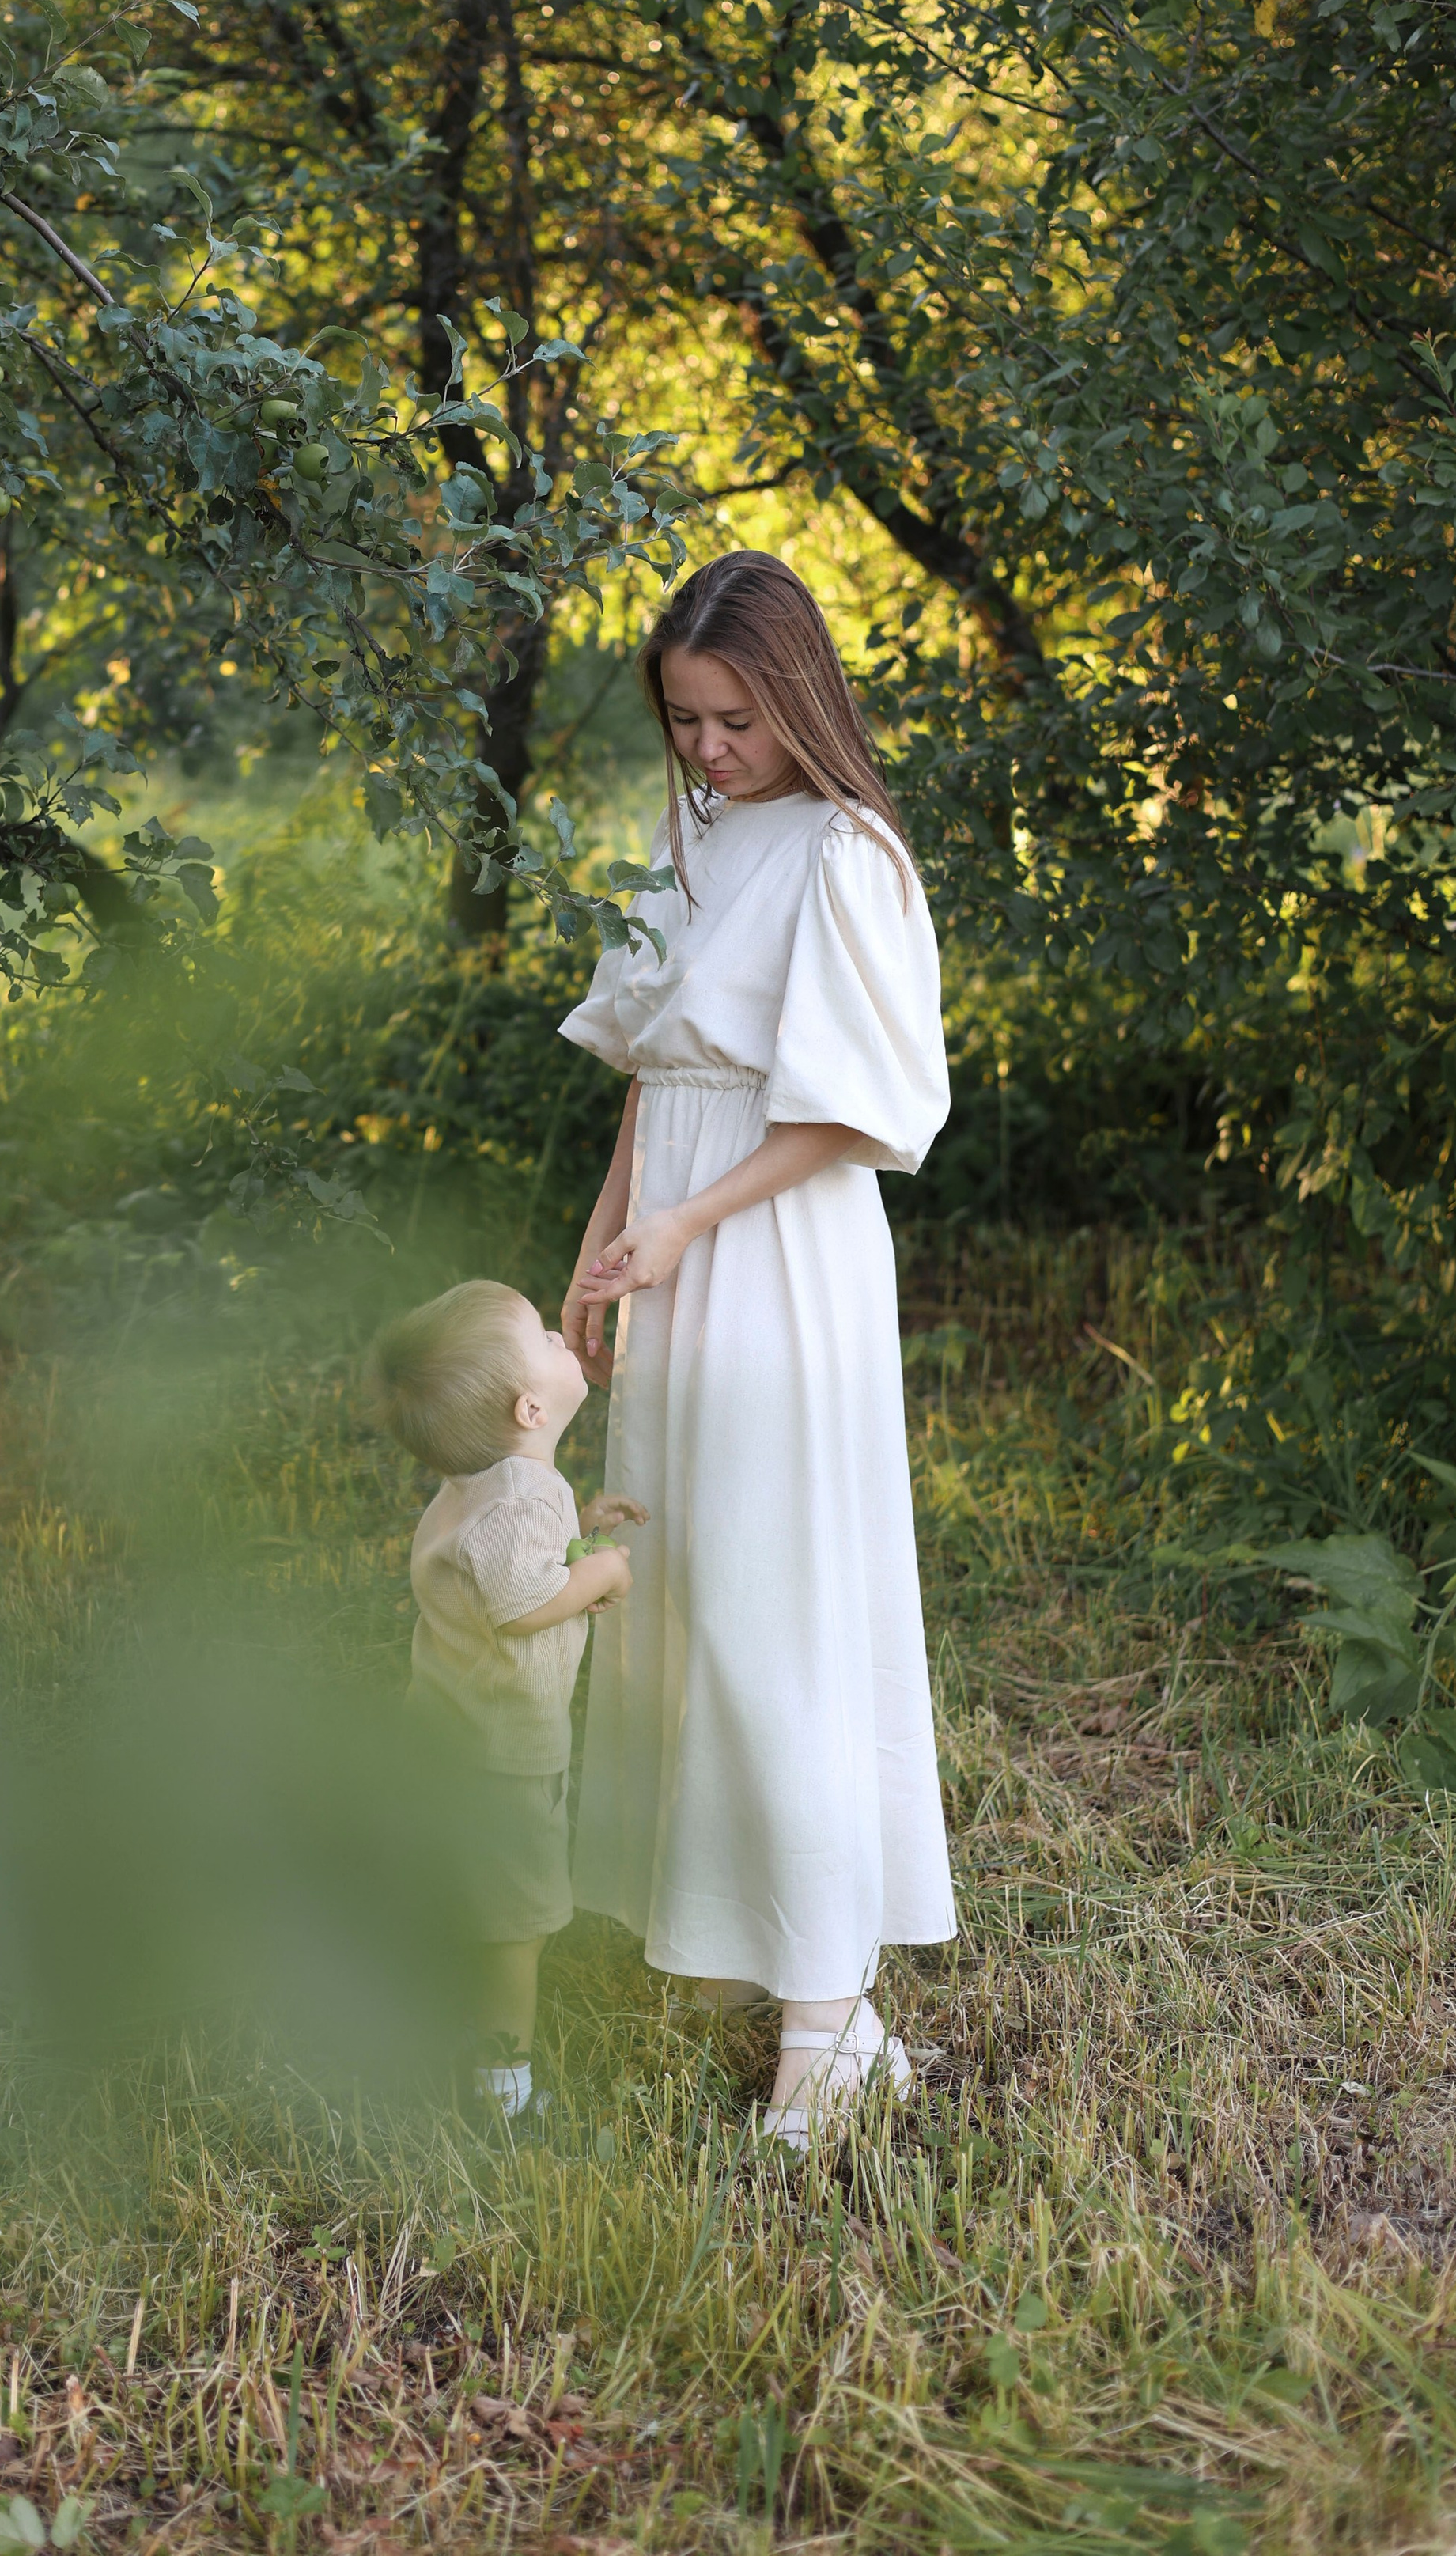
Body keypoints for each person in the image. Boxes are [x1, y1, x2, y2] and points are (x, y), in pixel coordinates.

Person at [557, 550, 957, 2143]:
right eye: (682, 721)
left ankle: (828, 2015)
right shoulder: (691, 837)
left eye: (731, 719)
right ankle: (755, 1948)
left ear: (793, 696)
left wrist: (686, 1223)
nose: (708, 750)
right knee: (685, 1592)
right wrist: (598, 1251)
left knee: (770, 1605)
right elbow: (652, 1077)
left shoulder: (846, 854)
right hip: (671, 1232)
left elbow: (849, 1117)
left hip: (774, 1250)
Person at [365, 1278, 648, 2119]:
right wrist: (601, 1569)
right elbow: (523, 1605)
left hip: (448, 1729)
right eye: (546, 1338)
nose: (562, 1341)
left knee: (461, 1888)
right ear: (531, 1409)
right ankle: (503, 2088)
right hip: (503, 1755)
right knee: (513, 1920)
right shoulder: (522, 1498)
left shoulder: (478, 1488)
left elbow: (519, 1569)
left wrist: (582, 1535)